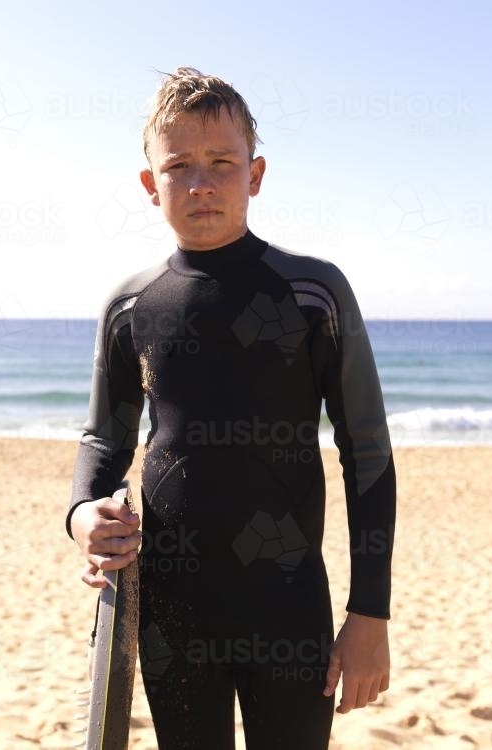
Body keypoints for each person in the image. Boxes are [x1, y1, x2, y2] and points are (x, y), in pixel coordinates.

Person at [66, 66, 396, 749]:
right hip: (170, 610)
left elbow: (367, 451)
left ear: (257, 173)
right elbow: (104, 440)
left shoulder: (313, 292)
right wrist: (80, 515)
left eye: (222, 162)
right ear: (149, 184)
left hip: (287, 603)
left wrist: (370, 615)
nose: (201, 183)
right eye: (178, 166)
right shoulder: (131, 306)